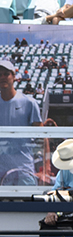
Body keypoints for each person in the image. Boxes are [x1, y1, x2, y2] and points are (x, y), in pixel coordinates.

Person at [0, 57, 42, 186]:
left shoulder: (29, 102)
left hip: (24, 168)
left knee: (27, 205)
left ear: (14, 76)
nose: (3, 77)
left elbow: (42, 136)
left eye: (6, 74)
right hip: (1, 169)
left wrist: (45, 167)